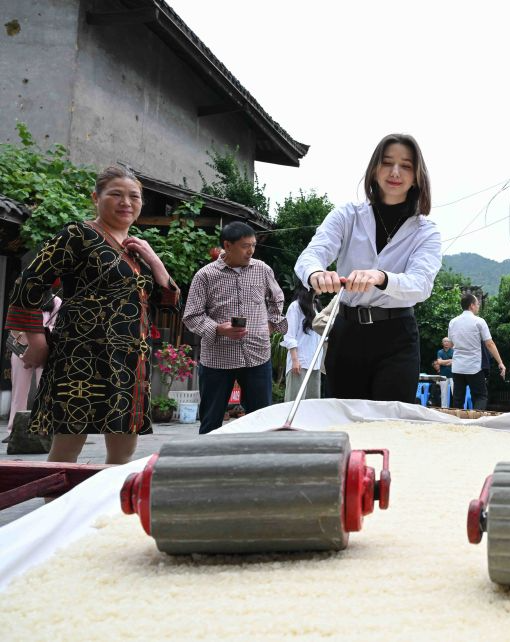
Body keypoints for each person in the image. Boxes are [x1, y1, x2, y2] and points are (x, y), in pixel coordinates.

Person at [3, 166, 179, 464]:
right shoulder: (78, 234)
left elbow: (169, 303)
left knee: (124, 450)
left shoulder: (137, 249)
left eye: (134, 196)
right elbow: (28, 284)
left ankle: (111, 497)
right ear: (96, 197)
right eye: (116, 194)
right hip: (80, 357)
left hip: (129, 361)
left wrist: (154, 261)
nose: (126, 202)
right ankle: (59, 497)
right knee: (67, 447)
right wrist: (36, 340)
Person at [295, 133, 441, 402]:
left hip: (397, 334)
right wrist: (316, 273)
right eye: (387, 162)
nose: (395, 172)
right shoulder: (347, 215)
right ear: (374, 169)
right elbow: (311, 255)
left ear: (417, 176)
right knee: (343, 416)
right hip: (346, 331)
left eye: (406, 165)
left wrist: (381, 277)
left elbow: (421, 285)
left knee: (391, 418)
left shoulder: (426, 231)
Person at [184, 221, 287, 434]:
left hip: (257, 354)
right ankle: (210, 455)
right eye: (245, 246)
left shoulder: (262, 269)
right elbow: (192, 315)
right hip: (218, 358)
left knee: (262, 421)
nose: (251, 251)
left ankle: (256, 456)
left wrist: (270, 324)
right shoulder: (205, 275)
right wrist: (218, 329)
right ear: (227, 245)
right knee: (211, 422)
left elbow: (277, 298)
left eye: (253, 245)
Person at [2, 293, 61, 444]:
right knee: (19, 391)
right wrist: (26, 338)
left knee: (45, 390)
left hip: (45, 348)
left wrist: (40, 334)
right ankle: (13, 430)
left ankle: (44, 428)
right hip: (22, 348)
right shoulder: (22, 297)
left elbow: (57, 325)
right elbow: (13, 324)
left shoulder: (55, 300)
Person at [448, 293, 506, 410]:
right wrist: (500, 362)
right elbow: (489, 344)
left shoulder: (453, 322)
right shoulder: (479, 321)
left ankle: (457, 420)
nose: (478, 306)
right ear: (472, 305)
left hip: (457, 366)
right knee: (481, 396)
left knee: (458, 399)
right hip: (474, 366)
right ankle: (475, 419)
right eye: (477, 304)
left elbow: (451, 343)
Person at [282, 283, 322, 402]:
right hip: (299, 363)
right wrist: (295, 360)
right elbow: (289, 335)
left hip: (315, 363)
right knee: (294, 402)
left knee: (312, 404)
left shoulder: (317, 306)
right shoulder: (295, 306)